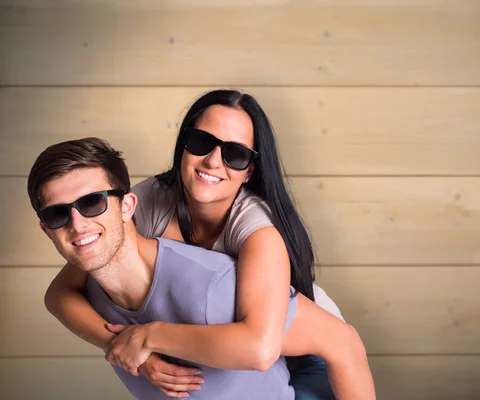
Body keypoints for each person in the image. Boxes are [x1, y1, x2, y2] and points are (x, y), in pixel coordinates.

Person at [43, 90, 370, 399]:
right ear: (183, 147)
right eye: (202, 142)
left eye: (235, 154)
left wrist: (148, 336)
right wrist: (130, 351)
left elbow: (262, 347)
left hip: (310, 355)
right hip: (234, 357)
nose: (214, 161)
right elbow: (60, 293)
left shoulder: (259, 232)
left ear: (249, 171)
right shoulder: (144, 201)